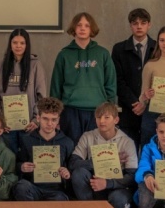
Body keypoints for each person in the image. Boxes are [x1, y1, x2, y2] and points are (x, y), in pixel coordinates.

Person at [50, 12, 116, 143]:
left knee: (96, 149)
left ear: (92, 29)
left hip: (97, 111)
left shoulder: (102, 53)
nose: (82, 28)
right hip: (71, 111)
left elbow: (111, 83)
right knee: (72, 148)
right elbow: (56, 86)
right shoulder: (64, 55)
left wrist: (110, 110)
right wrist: (54, 114)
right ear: (74, 28)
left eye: (87, 25)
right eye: (79, 25)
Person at [69, 102, 138, 208]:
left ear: (116, 120)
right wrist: (103, 161)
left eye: (106, 117)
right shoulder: (87, 136)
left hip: (117, 187)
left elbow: (132, 176)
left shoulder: (127, 142)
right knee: (79, 173)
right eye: (98, 117)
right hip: (95, 183)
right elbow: (73, 164)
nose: (101, 121)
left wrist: (107, 183)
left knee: (118, 198)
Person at [0, 28, 48, 154]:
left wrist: (36, 120)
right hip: (7, 127)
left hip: (29, 126)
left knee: (27, 160)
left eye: (22, 43)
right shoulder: (0, 66)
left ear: (27, 45)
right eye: (15, 42)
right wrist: (1, 120)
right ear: (10, 44)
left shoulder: (35, 65)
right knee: (10, 159)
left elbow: (42, 97)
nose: (18, 46)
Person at [13, 97, 75, 201]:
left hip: (56, 192)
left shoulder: (67, 142)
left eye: (54, 119)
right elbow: (17, 164)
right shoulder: (27, 140)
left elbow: (72, 170)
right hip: (33, 188)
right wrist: (22, 167)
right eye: (45, 118)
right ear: (38, 118)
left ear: (58, 120)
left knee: (60, 199)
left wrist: (68, 174)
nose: (49, 123)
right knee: (21, 187)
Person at [111, 9, 156, 148]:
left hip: (153, 108)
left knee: (151, 149)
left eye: (143, 23)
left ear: (149, 25)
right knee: (128, 150)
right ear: (130, 26)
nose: (139, 26)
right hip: (129, 109)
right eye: (135, 23)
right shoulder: (119, 49)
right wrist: (135, 102)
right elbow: (117, 80)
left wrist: (144, 102)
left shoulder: (157, 48)